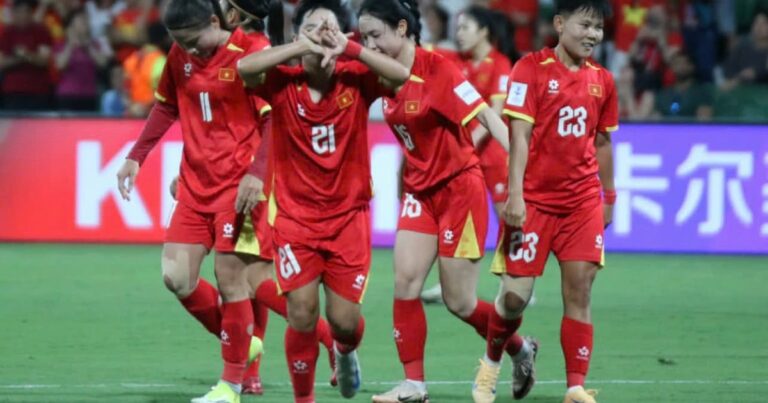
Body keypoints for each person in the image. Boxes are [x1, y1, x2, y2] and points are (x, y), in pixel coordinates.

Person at [352, 2, 531, 402]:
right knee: (405, 282)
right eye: (364, 37)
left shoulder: (439, 69)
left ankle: (520, 348)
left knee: (459, 302)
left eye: (375, 35)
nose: (369, 44)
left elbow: (488, 117)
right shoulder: (379, 73)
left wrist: (524, 174)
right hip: (420, 193)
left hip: (458, 191)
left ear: (402, 28)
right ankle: (414, 384)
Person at [237, 1, 410, 402]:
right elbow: (244, 69)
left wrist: (351, 49)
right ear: (298, 35)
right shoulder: (281, 81)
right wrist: (301, 46)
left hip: (348, 220)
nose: (321, 35)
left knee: (344, 322)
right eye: (311, 28)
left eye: (329, 28)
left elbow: (401, 75)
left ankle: (344, 350)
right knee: (301, 313)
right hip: (295, 220)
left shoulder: (356, 79)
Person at [116, 1, 275, 401]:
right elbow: (166, 105)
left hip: (239, 186)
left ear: (214, 21)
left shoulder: (251, 52)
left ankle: (234, 381)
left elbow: (275, 118)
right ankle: (245, 344)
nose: (189, 50)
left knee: (236, 282)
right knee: (176, 277)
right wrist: (136, 156)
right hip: (194, 183)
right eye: (180, 43)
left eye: (193, 40)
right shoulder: (180, 53)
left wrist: (258, 174)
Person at [479, 1, 619, 403]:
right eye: (585, 25)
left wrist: (609, 195)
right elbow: (519, 137)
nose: (593, 34)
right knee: (513, 298)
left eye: (598, 27)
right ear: (559, 23)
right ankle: (491, 364)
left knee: (580, 291)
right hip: (534, 202)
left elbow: (603, 142)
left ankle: (575, 386)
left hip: (581, 203)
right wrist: (516, 195)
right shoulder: (529, 69)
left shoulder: (603, 80)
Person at [0, 0, 53, 111]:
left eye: (26, 11)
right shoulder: (6, 33)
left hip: (39, 91)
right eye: (19, 12)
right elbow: (2, 63)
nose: (23, 15)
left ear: (31, 13)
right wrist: (21, 58)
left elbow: (44, 61)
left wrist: (26, 54)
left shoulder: (41, 32)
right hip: (13, 92)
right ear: (13, 13)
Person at [54, 8, 111, 111]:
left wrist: (88, 47)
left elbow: (103, 63)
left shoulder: (95, 44)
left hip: (89, 95)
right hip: (68, 95)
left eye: (86, 20)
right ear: (71, 25)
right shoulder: (61, 45)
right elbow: (60, 65)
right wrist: (70, 45)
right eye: (81, 20)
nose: (86, 23)